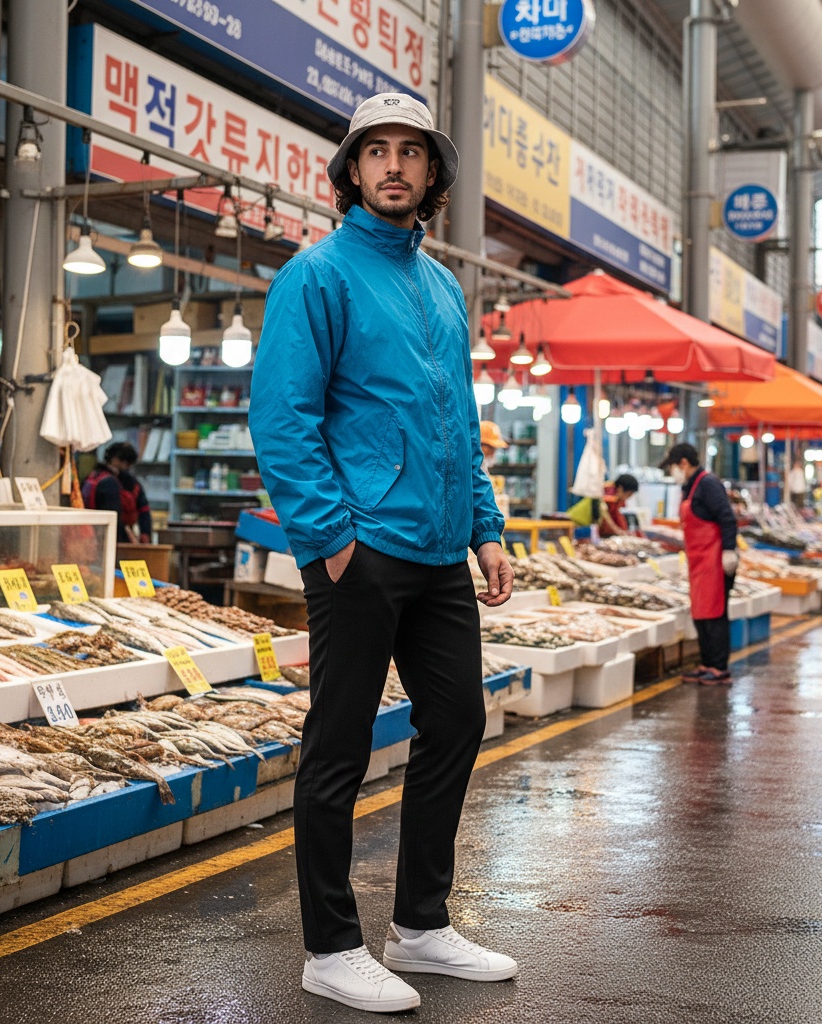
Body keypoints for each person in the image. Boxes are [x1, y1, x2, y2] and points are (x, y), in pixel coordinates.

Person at [249, 93, 518, 1014]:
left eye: (412, 152)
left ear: (432, 176)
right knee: (340, 746)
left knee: (459, 723)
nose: (395, 165)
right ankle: (329, 945)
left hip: (441, 553)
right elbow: (283, 419)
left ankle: (422, 924)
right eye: (378, 152)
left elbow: (459, 425)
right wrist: (330, 540)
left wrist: (484, 528)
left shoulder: (442, 287)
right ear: (353, 171)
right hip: (361, 551)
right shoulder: (317, 277)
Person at [660, 443, 739, 686]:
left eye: (673, 467)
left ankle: (719, 668)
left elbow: (727, 518)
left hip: (715, 560)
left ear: (683, 463)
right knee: (701, 613)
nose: (673, 471)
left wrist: (728, 550)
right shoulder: (691, 486)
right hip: (698, 560)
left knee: (715, 614)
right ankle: (707, 662)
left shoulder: (707, 484)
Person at [81, 441, 152, 543]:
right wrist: (129, 541)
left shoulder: (90, 478)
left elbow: (144, 510)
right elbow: (114, 519)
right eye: (126, 463)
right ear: (115, 460)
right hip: (108, 538)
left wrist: (145, 534)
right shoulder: (110, 483)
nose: (127, 468)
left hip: (88, 535)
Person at [565, 474, 640, 536]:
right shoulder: (606, 495)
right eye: (629, 495)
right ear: (620, 489)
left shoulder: (615, 497)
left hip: (584, 525)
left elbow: (617, 517)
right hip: (574, 523)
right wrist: (620, 532)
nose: (627, 498)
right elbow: (606, 519)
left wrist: (624, 531)